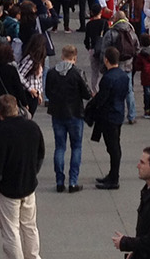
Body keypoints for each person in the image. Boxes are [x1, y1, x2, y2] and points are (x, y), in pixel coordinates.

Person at [0, 95, 43, 259]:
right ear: (17, 108)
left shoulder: (0, 135)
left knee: (11, 231)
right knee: (30, 226)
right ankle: (34, 256)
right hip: (29, 185)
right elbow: (40, 155)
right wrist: (32, 172)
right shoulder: (32, 128)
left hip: (8, 190)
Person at [42, 44, 90, 193]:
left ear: (62, 56)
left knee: (60, 147)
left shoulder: (51, 73)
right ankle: (73, 182)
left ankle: (59, 181)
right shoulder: (78, 73)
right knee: (76, 147)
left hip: (57, 113)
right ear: (74, 57)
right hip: (75, 113)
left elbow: (48, 92)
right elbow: (86, 94)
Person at [93, 47, 130, 190]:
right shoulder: (123, 76)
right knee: (114, 145)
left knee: (113, 147)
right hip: (118, 113)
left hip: (108, 115)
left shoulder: (107, 78)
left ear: (106, 59)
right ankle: (112, 174)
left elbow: (102, 99)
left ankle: (114, 177)